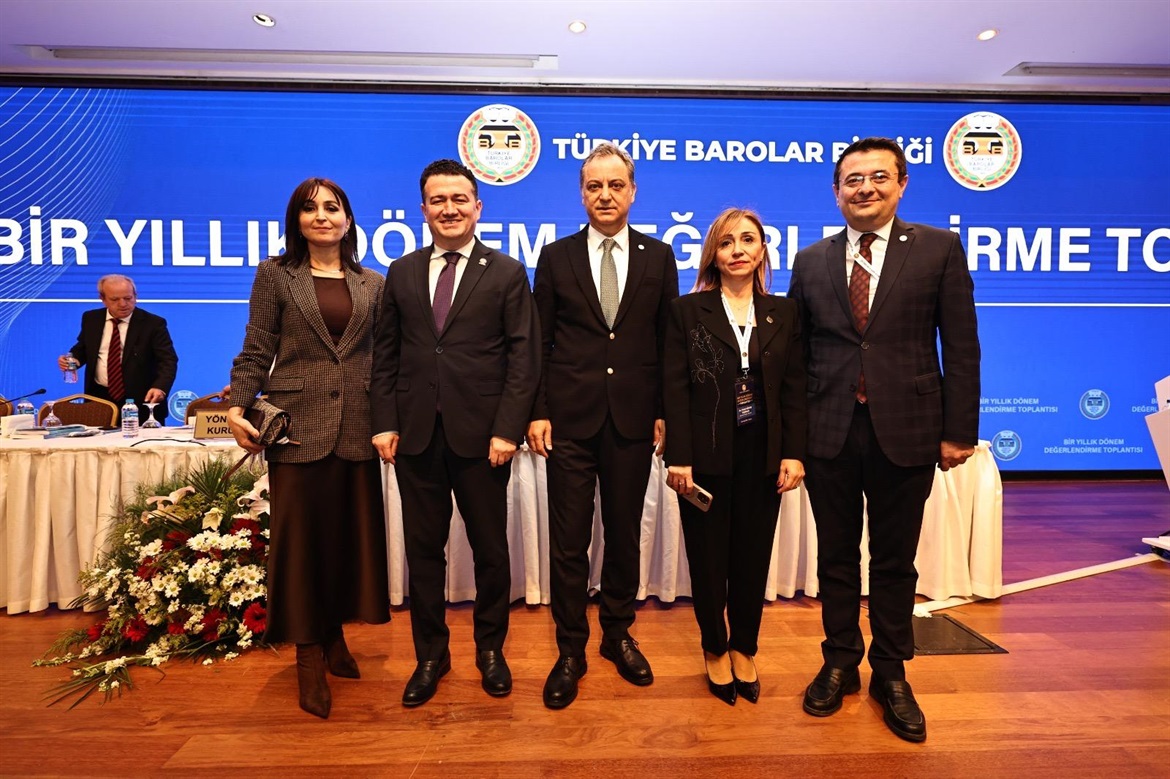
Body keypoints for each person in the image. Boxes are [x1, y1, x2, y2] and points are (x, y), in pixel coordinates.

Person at [788, 137, 981, 742]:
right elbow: (796, 355)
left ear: (901, 185)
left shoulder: (938, 249)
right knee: (835, 557)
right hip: (829, 432)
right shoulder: (811, 260)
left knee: (895, 560)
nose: (864, 188)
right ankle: (840, 660)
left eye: (877, 177)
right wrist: (792, 436)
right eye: (852, 180)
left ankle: (892, 672)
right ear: (836, 192)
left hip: (909, 430)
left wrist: (959, 430)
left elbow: (962, 345)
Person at [370, 159, 539, 707]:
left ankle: (490, 650)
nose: (449, 209)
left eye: (459, 199)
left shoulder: (507, 272)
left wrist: (508, 429)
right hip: (415, 437)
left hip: (483, 440)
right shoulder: (401, 271)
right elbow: (386, 355)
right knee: (423, 553)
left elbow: (524, 359)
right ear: (423, 209)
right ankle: (430, 655)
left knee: (491, 551)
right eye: (438, 200)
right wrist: (384, 421)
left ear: (477, 207)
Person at [227, 177, 390, 720]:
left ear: (348, 218)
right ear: (296, 220)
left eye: (332, 207)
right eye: (310, 208)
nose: (322, 215)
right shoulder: (276, 275)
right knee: (301, 548)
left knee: (345, 544)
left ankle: (334, 634)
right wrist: (237, 405)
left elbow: (384, 359)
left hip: (358, 427)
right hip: (296, 429)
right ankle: (308, 655)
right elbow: (257, 347)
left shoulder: (374, 282)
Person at [528, 143, 679, 709]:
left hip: (633, 420)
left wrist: (664, 409)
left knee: (623, 535)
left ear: (633, 191)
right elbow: (540, 341)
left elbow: (667, 343)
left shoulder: (659, 256)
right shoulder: (555, 256)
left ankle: (617, 633)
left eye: (616, 185)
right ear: (581, 193)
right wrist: (538, 410)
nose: (606, 195)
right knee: (569, 542)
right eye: (595, 186)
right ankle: (570, 649)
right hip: (569, 420)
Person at [663, 208, 807, 706]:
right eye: (726, 242)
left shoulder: (784, 312)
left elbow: (794, 389)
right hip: (703, 455)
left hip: (763, 454)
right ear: (713, 255)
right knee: (707, 562)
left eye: (748, 240)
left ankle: (745, 646)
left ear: (763, 250)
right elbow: (674, 388)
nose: (738, 250)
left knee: (752, 557)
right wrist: (678, 457)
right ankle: (714, 647)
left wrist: (794, 454)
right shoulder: (687, 311)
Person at [59, 274, 178, 423]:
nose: (123, 304)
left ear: (135, 296)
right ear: (102, 299)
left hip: (142, 401)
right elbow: (83, 347)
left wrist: (160, 387)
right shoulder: (91, 319)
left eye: (128, 298)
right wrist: (73, 359)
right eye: (115, 299)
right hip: (99, 400)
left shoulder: (153, 323)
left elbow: (168, 360)